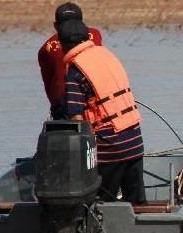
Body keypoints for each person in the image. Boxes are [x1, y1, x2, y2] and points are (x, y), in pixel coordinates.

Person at [59, 18, 146, 205]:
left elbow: (76, 117)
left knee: (102, 206)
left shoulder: (76, 70)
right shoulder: (107, 54)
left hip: (109, 150)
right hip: (135, 141)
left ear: (63, 45)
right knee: (137, 204)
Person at [39, 2, 103, 119]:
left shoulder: (45, 49)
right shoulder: (96, 35)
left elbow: (49, 85)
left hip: (63, 104)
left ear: (56, 26)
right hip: (94, 98)